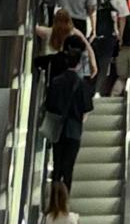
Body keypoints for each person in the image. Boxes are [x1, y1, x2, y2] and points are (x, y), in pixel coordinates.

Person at [40, 12, 94, 195]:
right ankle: (64, 199)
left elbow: (49, 105)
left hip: (58, 129)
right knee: (68, 167)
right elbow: (86, 109)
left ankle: (53, 198)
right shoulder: (82, 85)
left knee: (57, 164)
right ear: (78, 63)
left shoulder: (56, 82)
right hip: (74, 130)